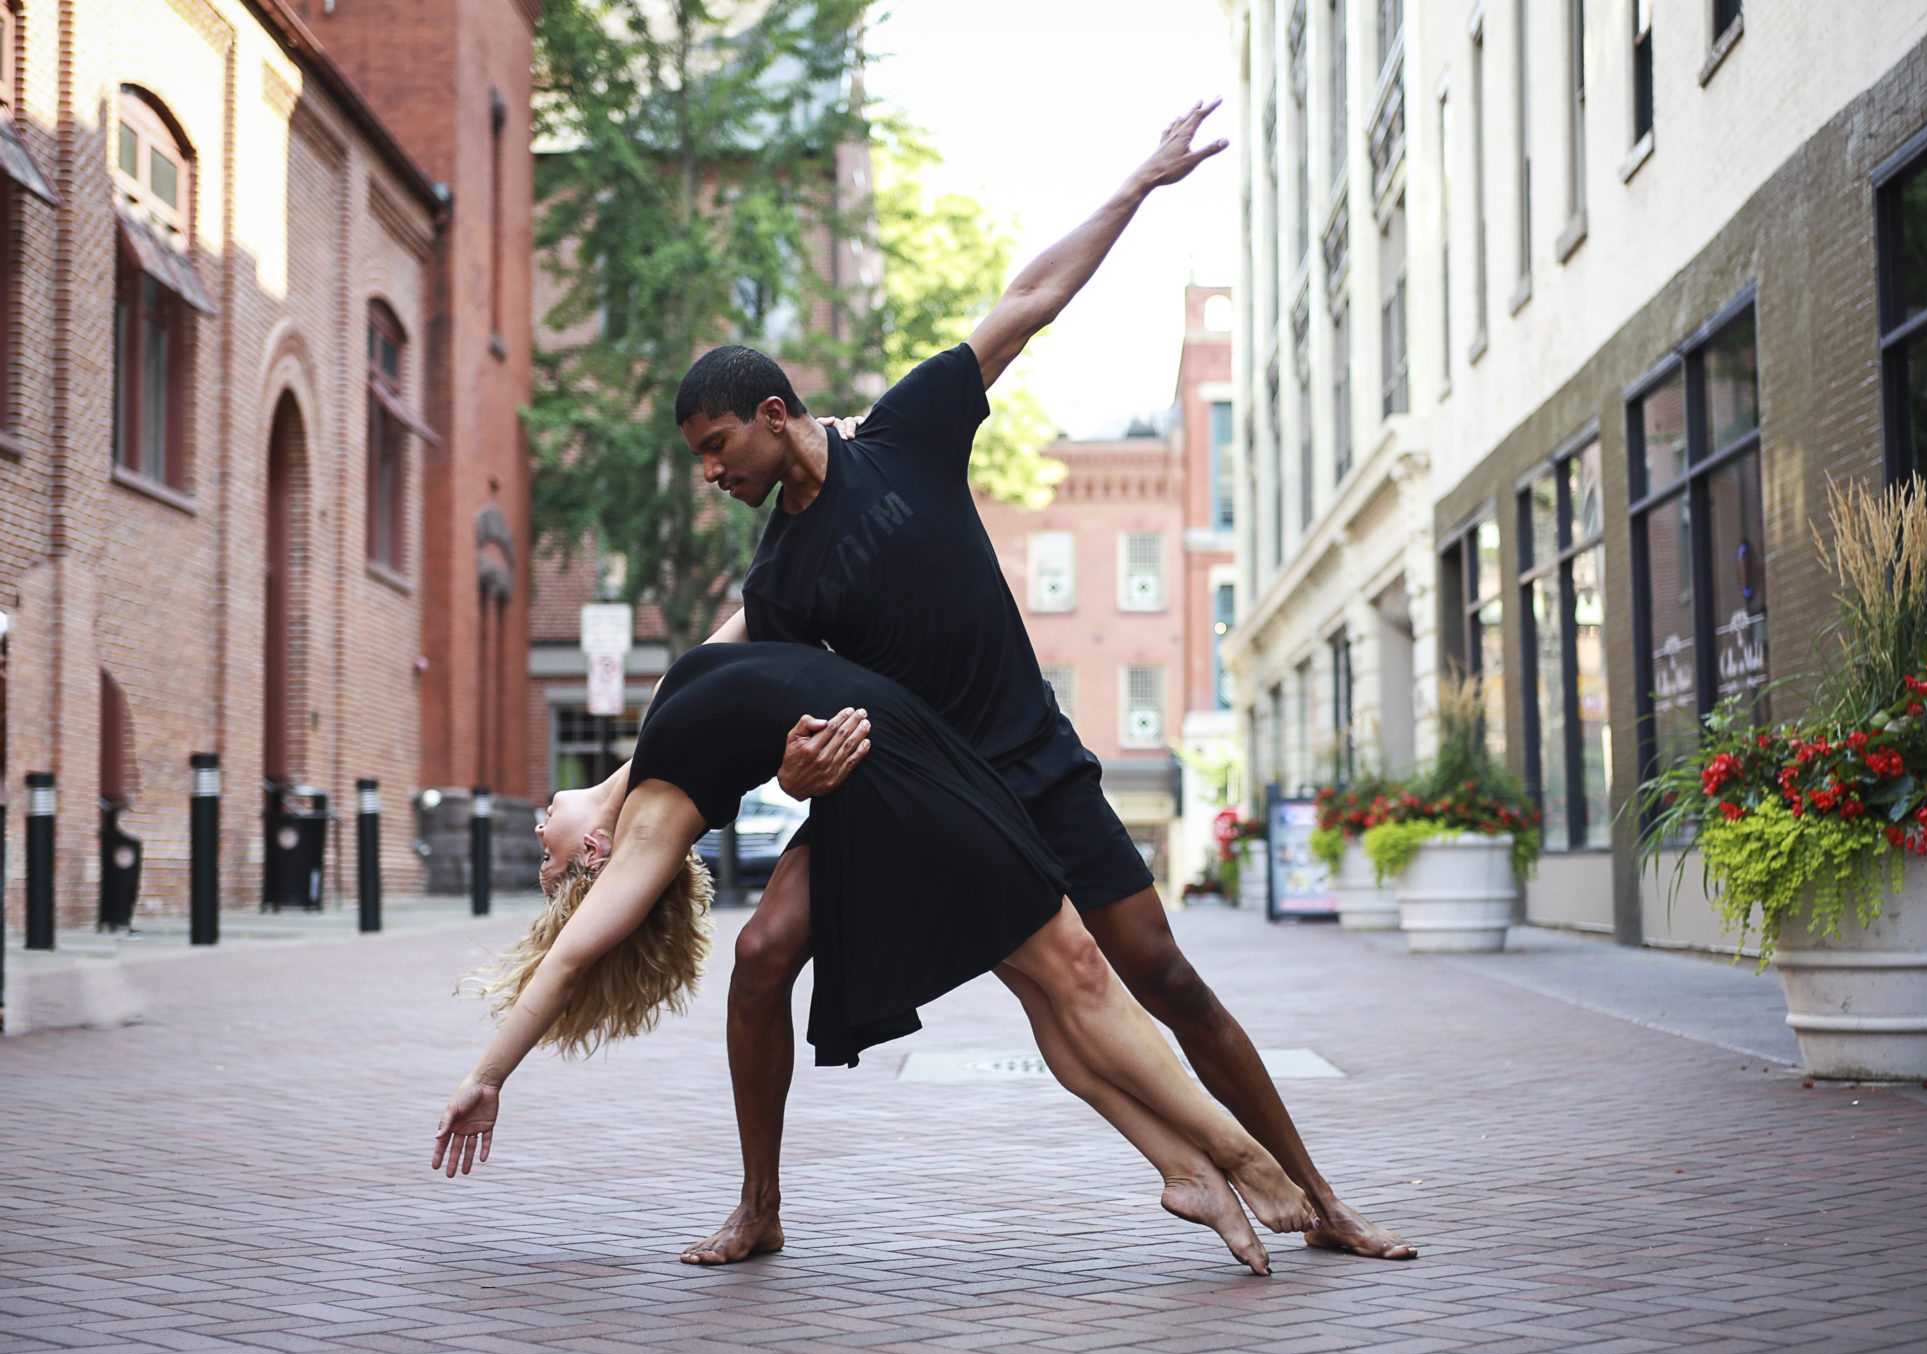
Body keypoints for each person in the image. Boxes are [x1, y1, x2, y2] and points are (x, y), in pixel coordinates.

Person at [665, 100, 1416, 1264]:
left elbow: (1025, 301)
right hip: (910, 797)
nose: (710, 474)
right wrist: (640, 786)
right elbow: (721, 676)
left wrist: (1137, 182)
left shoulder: (905, 433)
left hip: (1029, 767)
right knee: (761, 956)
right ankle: (759, 1207)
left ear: (775, 416)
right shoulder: (780, 573)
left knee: (1159, 971)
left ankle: (1319, 1197)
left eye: (717, 448)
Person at [433, 642, 1319, 1275]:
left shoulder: (659, 718)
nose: (539, 839)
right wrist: (488, 1074)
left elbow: (754, 604)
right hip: (890, 773)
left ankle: (1186, 1170)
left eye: (539, 854)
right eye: (553, 863)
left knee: (1051, 986)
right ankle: (1236, 1154)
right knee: (1066, 969)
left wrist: (841, 443)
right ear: (592, 855)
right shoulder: (649, 832)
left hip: (900, 752)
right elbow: (569, 965)